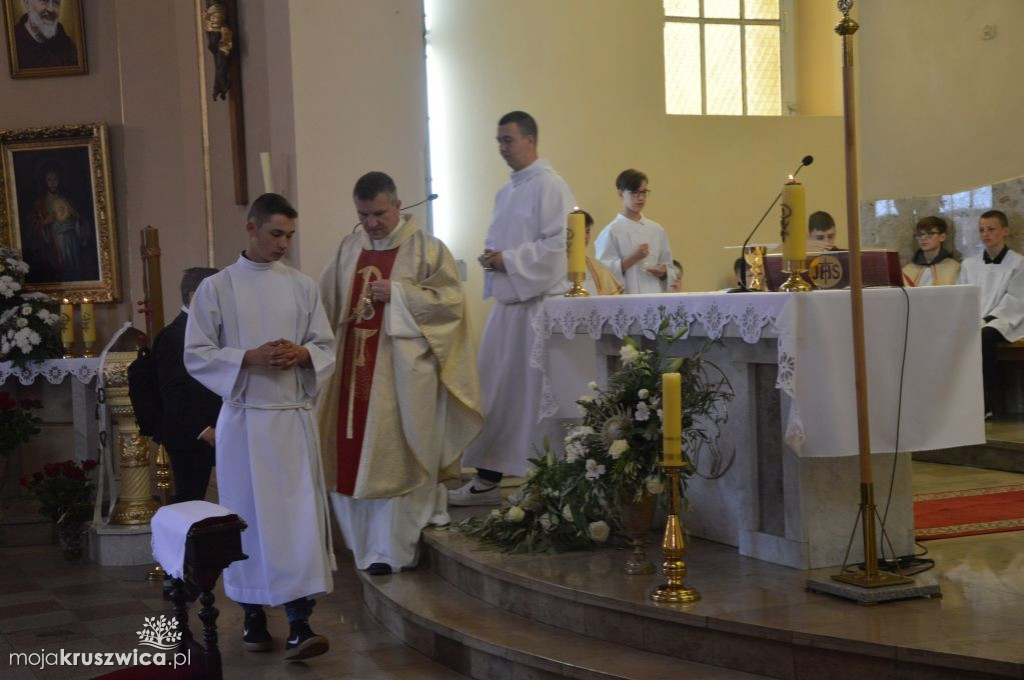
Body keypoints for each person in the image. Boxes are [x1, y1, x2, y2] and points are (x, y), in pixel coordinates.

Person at [184, 193, 336, 662]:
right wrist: (249, 357)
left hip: (290, 418)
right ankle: (251, 614)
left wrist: (303, 354)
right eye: (275, 234)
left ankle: (299, 622)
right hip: (246, 422)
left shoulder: (303, 286)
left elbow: (325, 343)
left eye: (289, 235)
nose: (283, 244)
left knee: (296, 524)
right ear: (251, 229)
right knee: (246, 521)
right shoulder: (218, 288)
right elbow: (197, 354)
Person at [317, 172, 483, 575]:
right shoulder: (347, 249)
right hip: (353, 372)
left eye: (377, 213)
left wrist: (401, 295)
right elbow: (325, 304)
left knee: (399, 456)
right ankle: (362, 546)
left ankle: (392, 550)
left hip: (404, 376)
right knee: (349, 454)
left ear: (397, 205)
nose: (371, 223)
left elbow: (451, 303)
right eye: (363, 214)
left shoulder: (428, 249)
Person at [449, 110, 575, 506]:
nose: (502, 148)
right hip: (508, 308)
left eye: (508, 140)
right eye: (499, 141)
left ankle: (540, 480)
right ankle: (486, 479)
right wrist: (492, 260)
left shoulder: (552, 186)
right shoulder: (506, 191)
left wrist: (511, 261)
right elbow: (502, 242)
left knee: (532, 399)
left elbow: (561, 246)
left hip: (538, 311)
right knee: (496, 394)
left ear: (530, 141)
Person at [154, 267, 221, 504]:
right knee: (191, 501)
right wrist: (204, 430)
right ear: (194, 296)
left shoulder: (214, 331)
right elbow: (173, 393)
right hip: (190, 436)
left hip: (218, 430)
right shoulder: (173, 336)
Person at [957, 210, 1024, 418]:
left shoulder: (1018, 263)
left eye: (991, 229)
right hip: (974, 318)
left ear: (1005, 231)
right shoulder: (970, 264)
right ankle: (958, 400)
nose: (985, 234)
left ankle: (986, 401)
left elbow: (1015, 299)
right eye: (981, 230)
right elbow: (963, 294)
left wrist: (986, 320)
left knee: (985, 336)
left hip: (1006, 320)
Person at [593, 168, 674, 294]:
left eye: (644, 192)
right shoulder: (611, 232)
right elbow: (602, 274)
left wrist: (664, 272)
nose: (641, 198)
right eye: (635, 193)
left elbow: (669, 266)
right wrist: (633, 258)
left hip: (655, 298)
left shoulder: (657, 230)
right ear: (620, 194)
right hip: (626, 301)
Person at [12, 0, 79, 69]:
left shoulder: (67, 45)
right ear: (27, 4)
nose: (51, 9)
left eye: (56, 2)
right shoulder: (12, 43)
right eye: (44, 1)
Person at [901, 216, 960, 286]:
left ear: (942, 237)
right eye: (919, 234)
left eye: (929, 234)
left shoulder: (953, 267)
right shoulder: (907, 270)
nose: (923, 238)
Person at [579, 210, 623, 296]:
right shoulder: (557, 265)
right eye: (580, 231)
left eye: (587, 231)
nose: (585, 237)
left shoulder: (596, 267)